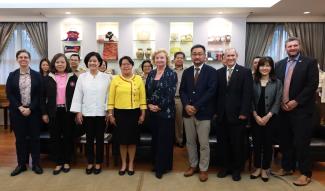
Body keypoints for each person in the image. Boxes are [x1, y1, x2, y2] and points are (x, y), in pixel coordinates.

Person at [274, 37, 318, 186]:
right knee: (285, 141)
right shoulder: (279, 64)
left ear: (299, 46)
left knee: (301, 142)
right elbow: (277, 85)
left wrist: (296, 101)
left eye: (294, 45)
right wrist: (281, 101)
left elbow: (311, 85)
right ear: (285, 48)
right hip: (283, 109)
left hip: (301, 110)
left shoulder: (310, 63)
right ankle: (287, 167)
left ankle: (305, 173)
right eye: (289, 46)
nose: (292, 48)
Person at [70, 52, 112, 175]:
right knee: (89, 139)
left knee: (99, 139)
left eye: (95, 61)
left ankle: (98, 162)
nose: (92, 63)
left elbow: (108, 96)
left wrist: (108, 112)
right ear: (87, 63)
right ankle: (89, 162)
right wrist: (78, 112)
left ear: (99, 63)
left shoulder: (106, 77)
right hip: (86, 113)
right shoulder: (82, 77)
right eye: (90, 61)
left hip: (100, 113)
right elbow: (78, 95)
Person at [180, 45, 217, 182]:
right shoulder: (187, 72)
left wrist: (195, 106)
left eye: (200, 54)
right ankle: (193, 165)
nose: (197, 56)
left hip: (204, 114)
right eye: (194, 54)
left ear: (204, 56)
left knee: (203, 143)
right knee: (190, 142)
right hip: (188, 113)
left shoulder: (211, 71)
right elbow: (182, 90)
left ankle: (203, 169)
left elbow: (211, 92)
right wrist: (186, 105)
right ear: (191, 56)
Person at [216, 48, 253, 181]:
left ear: (236, 56)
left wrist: (244, 112)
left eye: (233, 55)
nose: (230, 57)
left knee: (237, 144)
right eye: (228, 55)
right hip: (221, 116)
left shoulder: (245, 72)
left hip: (238, 116)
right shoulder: (219, 72)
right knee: (223, 143)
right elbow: (217, 94)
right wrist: (216, 112)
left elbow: (247, 94)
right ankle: (225, 167)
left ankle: (237, 169)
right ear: (224, 57)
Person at [6, 49, 43, 176]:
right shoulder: (12, 75)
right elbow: (9, 94)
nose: (23, 59)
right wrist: (20, 107)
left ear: (29, 59)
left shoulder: (37, 75)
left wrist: (30, 108)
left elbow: (39, 95)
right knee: (20, 139)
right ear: (17, 59)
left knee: (35, 139)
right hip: (17, 112)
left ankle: (36, 164)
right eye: (20, 57)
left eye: (25, 57)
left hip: (33, 112)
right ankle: (21, 164)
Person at [107, 56, 146, 176]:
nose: (126, 66)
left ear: (132, 65)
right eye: (123, 64)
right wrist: (110, 114)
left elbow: (142, 98)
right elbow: (111, 98)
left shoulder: (138, 79)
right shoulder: (115, 79)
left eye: (128, 64)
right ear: (120, 66)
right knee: (122, 141)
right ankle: (124, 163)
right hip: (120, 114)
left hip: (134, 113)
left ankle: (131, 164)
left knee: (132, 141)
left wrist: (143, 114)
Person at [41, 53, 78, 175]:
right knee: (55, 137)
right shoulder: (48, 78)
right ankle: (58, 162)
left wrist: (78, 112)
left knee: (68, 137)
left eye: (62, 62)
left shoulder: (73, 77)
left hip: (68, 112)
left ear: (66, 63)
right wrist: (44, 113)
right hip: (53, 112)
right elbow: (42, 97)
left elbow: (78, 96)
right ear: (54, 64)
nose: (60, 64)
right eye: (57, 62)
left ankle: (66, 161)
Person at [146, 49, 177, 179]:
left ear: (166, 59)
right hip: (152, 113)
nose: (159, 60)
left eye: (162, 58)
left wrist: (158, 106)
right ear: (154, 60)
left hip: (166, 113)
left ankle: (162, 167)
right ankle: (155, 163)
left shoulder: (171, 73)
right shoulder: (151, 73)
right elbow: (146, 91)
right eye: (157, 58)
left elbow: (170, 93)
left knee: (164, 140)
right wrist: (149, 104)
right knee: (155, 139)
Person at [250, 57, 282, 182]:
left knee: (268, 144)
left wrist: (268, 116)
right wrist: (255, 115)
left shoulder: (277, 82)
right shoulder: (253, 81)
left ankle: (265, 168)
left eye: (268, 65)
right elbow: (250, 100)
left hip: (271, 118)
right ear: (258, 67)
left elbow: (277, 101)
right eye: (262, 65)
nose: (265, 68)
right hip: (255, 117)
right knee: (257, 144)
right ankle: (257, 167)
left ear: (271, 67)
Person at [173, 51, 186, 148]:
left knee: (179, 121)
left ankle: (179, 140)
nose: (179, 59)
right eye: (177, 57)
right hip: (168, 99)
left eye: (181, 58)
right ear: (174, 59)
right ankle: (169, 139)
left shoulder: (187, 71)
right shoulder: (168, 70)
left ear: (184, 60)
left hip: (179, 99)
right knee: (168, 121)